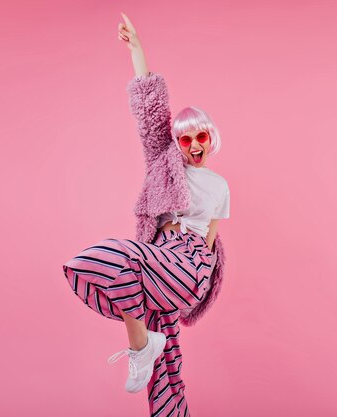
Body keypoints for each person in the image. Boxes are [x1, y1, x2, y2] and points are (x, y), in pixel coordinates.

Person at [62, 12, 230, 416]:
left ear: (211, 139)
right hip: (158, 256)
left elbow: (209, 240)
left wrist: (197, 273)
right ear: (176, 142)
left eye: (200, 136)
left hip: (189, 265)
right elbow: (151, 112)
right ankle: (148, 349)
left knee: (120, 257)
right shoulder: (165, 161)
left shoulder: (220, 187)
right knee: (167, 366)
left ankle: (140, 345)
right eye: (185, 137)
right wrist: (136, 48)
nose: (193, 144)